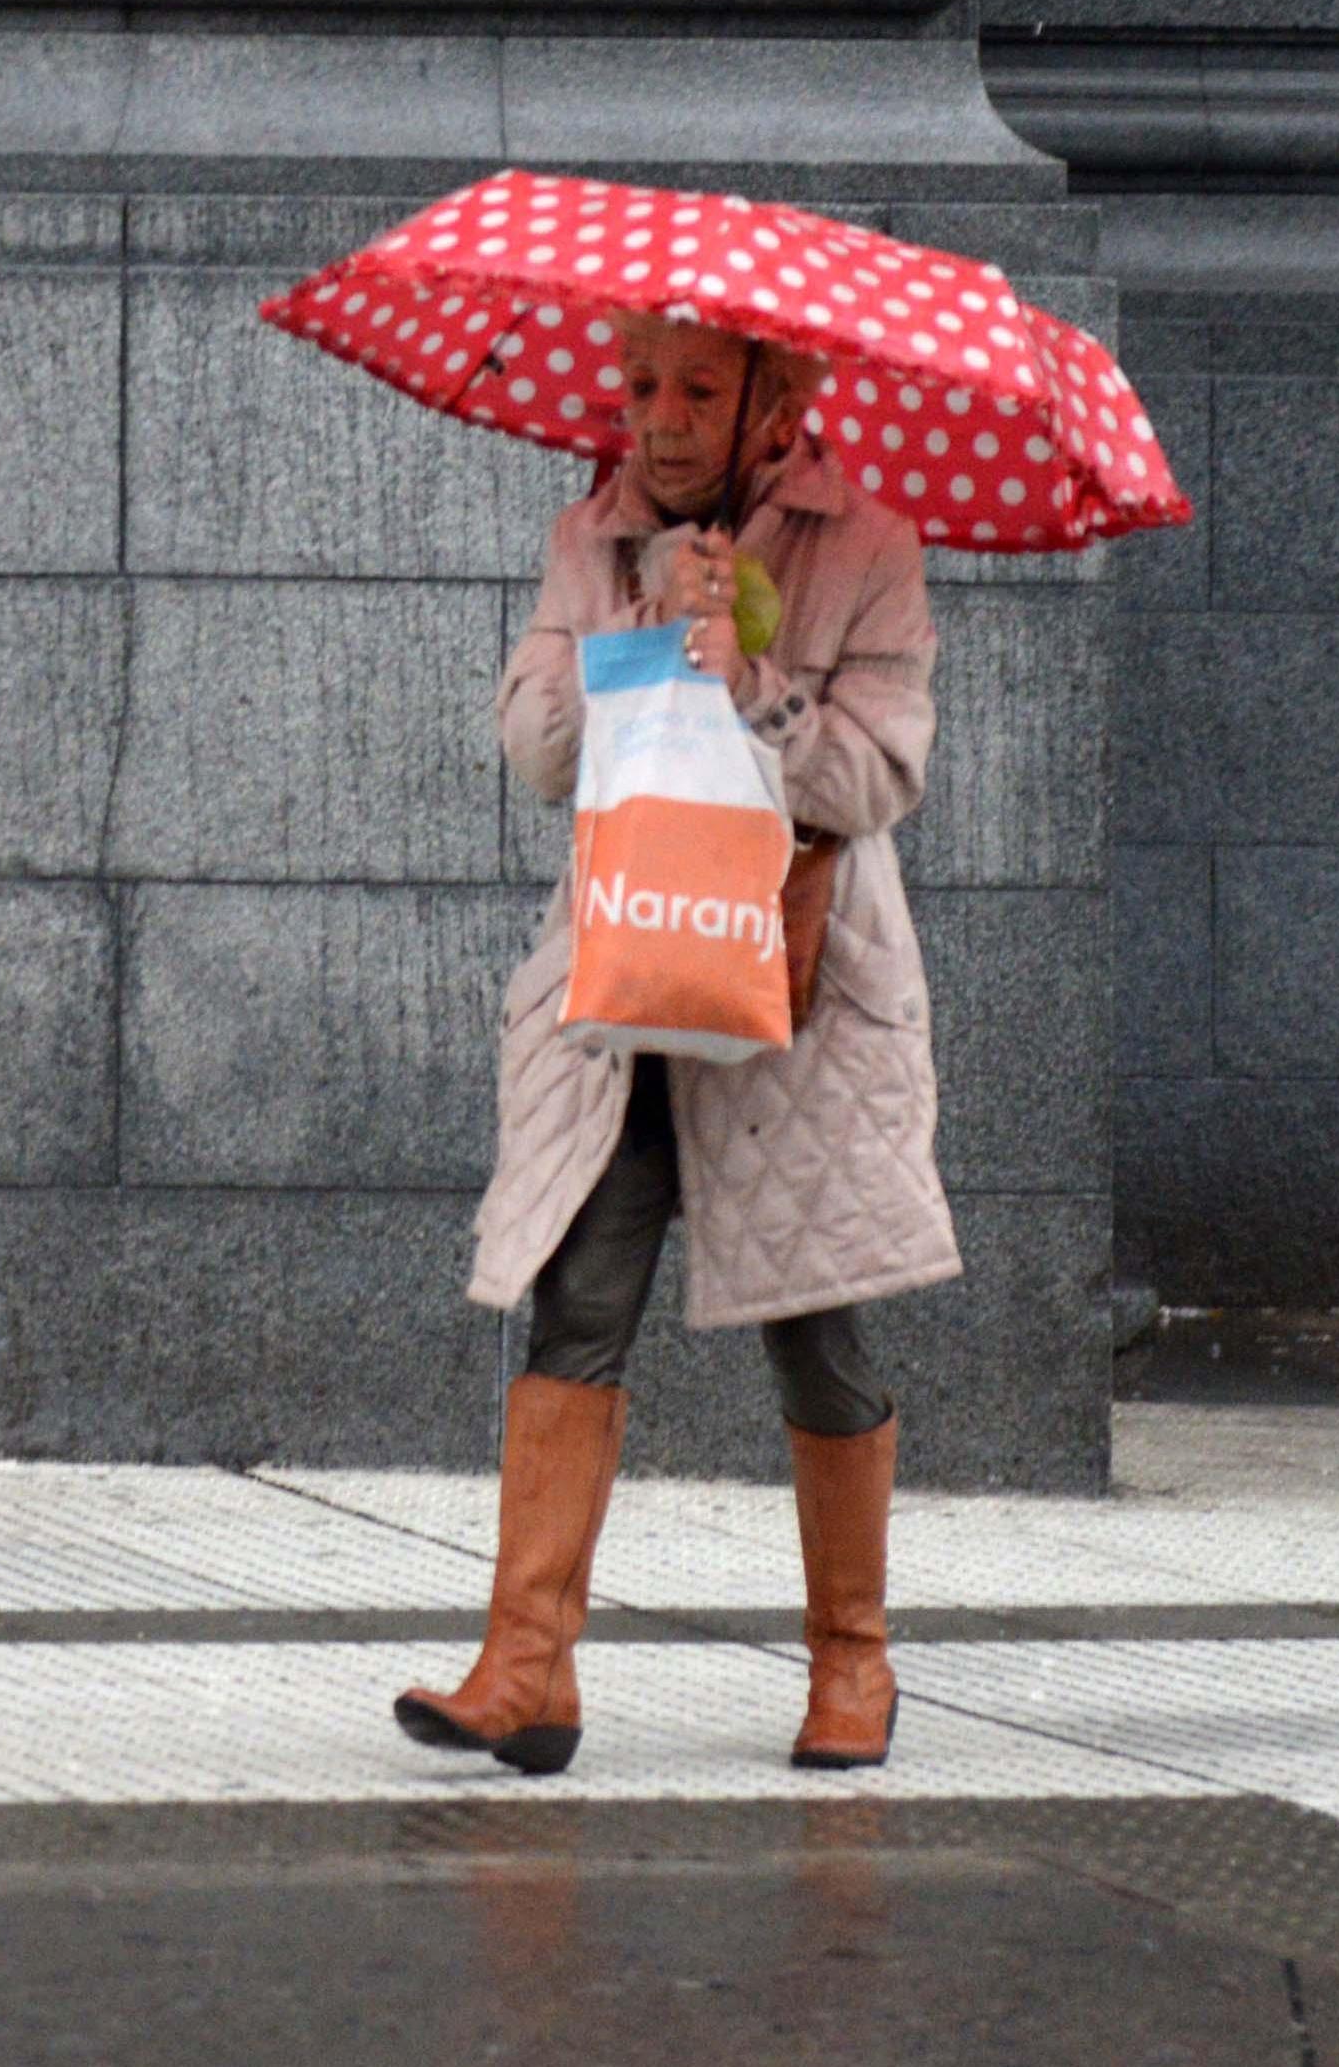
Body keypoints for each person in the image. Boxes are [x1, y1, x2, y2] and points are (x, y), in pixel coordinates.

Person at [398, 311, 957, 1775]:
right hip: (631, 973)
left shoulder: (869, 546)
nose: (658, 417)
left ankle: (854, 1663)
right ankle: (527, 1669)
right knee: (579, 1296)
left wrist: (751, 671)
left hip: (792, 993)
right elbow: (533, 746)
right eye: (640, 385)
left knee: (813, 1322)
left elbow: (883, 773)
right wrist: (647, 640)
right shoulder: (587, 535)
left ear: (774, 402)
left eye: (697, 389)